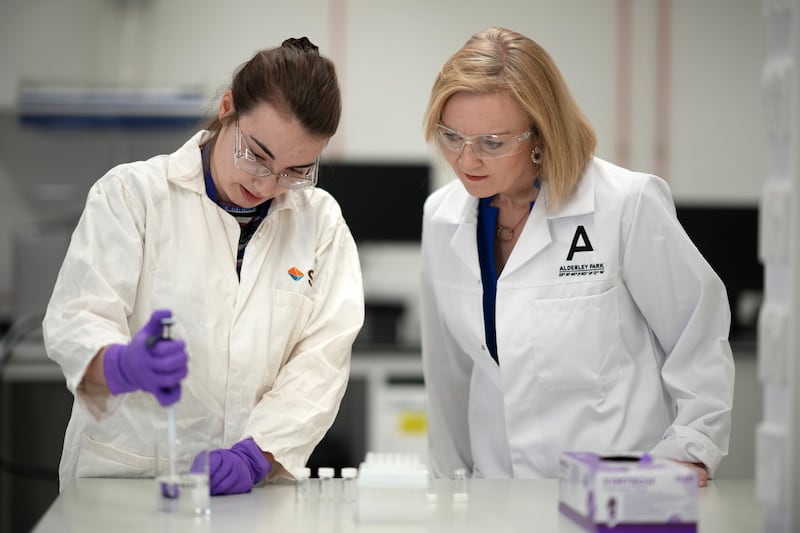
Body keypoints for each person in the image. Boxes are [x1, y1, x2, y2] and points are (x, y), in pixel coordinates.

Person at [43, 37, 364, 495]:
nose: (267, 183)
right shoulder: (134, 195)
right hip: (126, 480)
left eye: (296, 170)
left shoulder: (320, 222)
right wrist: (120, 364)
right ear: (227, 108)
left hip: (251, 490)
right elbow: (77, 318)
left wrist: (257, 455)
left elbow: (321, 360)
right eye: (257, 155)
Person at [420, 27, 733, 486]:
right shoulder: (442, 215)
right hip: (498, 493)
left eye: (492, 142)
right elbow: (448, 374)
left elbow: (697, 335)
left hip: (620, 490)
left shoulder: (625, 203)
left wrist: (690, 450)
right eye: (451, 137)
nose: (467, 161)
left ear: (541, 135)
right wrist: (448, 487)